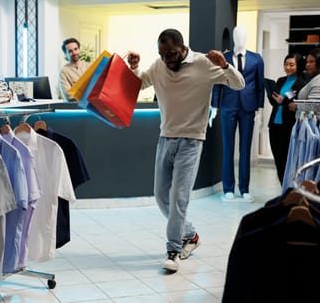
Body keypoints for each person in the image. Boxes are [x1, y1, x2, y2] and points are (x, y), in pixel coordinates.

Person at [126, 28, 245, 272]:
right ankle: (190, 235)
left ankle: (173, 250)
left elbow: (239, 84)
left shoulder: (204, 63)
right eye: (162, 54)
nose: (167, 59)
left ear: (183, 48)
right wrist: (135, 68)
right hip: (165, 138)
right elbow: (139, 85)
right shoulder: (159, 66)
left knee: (179, 198)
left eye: (171, 53)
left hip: (192, 141)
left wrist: (225, 66)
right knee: (161, 196)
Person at [211, 25, 265, 203]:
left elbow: (259, 85)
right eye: (237, 35)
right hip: (228, 105)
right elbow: (217, 82)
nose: (240, 38)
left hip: (248, 107)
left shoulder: (256, 59)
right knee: (228, 148)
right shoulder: (223, 58)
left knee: (245, 149)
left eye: (243, 35)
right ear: (233, 37)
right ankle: (228, 188)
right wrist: (215, 107)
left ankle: (244, 188)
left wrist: (260, 109)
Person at [267, 53, 307, 185]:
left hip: (289, 125)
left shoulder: (302, 82)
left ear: (298, 65)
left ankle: (288, 188)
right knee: (277, 159)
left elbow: (293, 104)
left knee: (284, 158)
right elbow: (276, 102)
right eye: (286, 64)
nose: (287, 67)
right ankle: (283, 187)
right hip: (274, 124)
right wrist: (271, 96)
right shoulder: (281, 80)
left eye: (291, 65)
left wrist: (282, 101)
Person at [289, 47, 320, 112]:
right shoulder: (282, 80)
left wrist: (296, 105)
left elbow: (315, 105)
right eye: (307, 62)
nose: (308, 65)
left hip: (313, 120)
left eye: (311, 62)